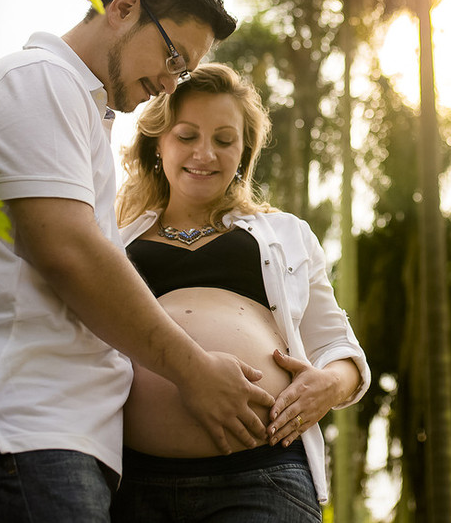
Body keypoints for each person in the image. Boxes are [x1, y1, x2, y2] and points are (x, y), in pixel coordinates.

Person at [0, 0, 272, 522]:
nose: (168, 83)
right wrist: (193, 370)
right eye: (171, 56)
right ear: (124, 7)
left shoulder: (77, 109)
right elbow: (67, 253)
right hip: (21, 437)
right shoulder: (40, 80)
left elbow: (3, 279)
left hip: (28, 437)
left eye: (181, 71)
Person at [112, 63, 369, 523]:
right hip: (129, 483)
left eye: (224, 140)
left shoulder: (287, 234)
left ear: (243, 151)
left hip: (261, 477)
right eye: (187, 136)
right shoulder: (111, 237)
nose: (205, 153)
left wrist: (329, 384)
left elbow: (336, 346)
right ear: (158, 144)